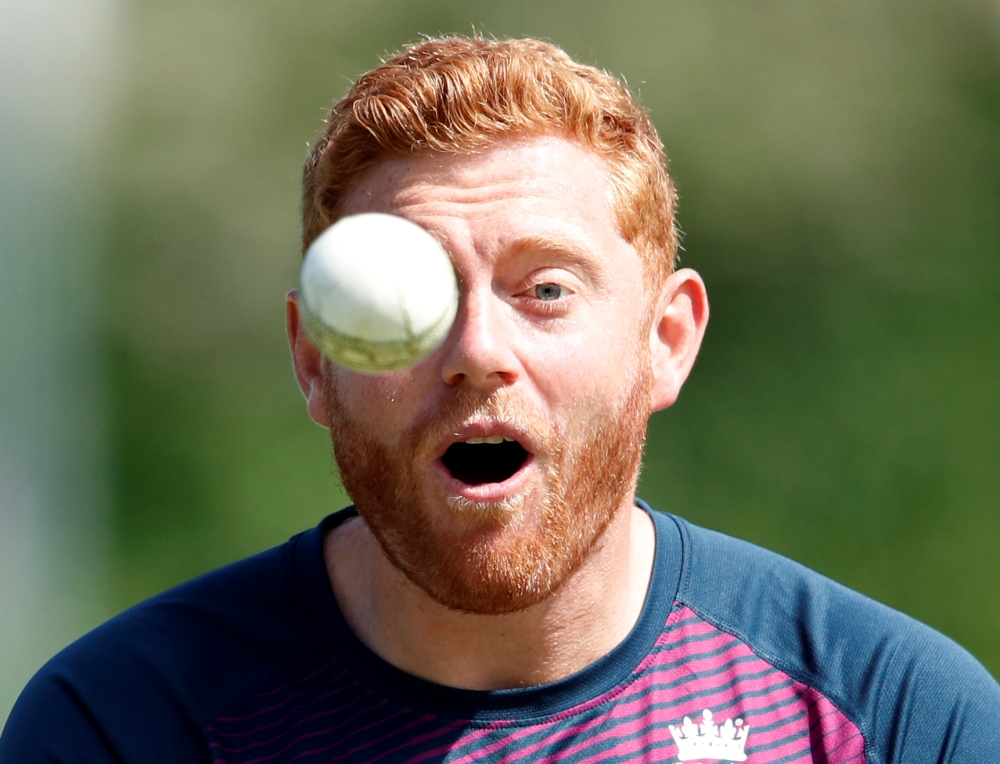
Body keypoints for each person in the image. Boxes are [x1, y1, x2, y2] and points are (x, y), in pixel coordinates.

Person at [2, 35, 999, 764]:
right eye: (408, 300)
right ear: (313, 360)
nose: (478, 349)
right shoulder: (129, 725)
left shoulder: (890, 718)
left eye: (546, 290)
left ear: (666, 340)